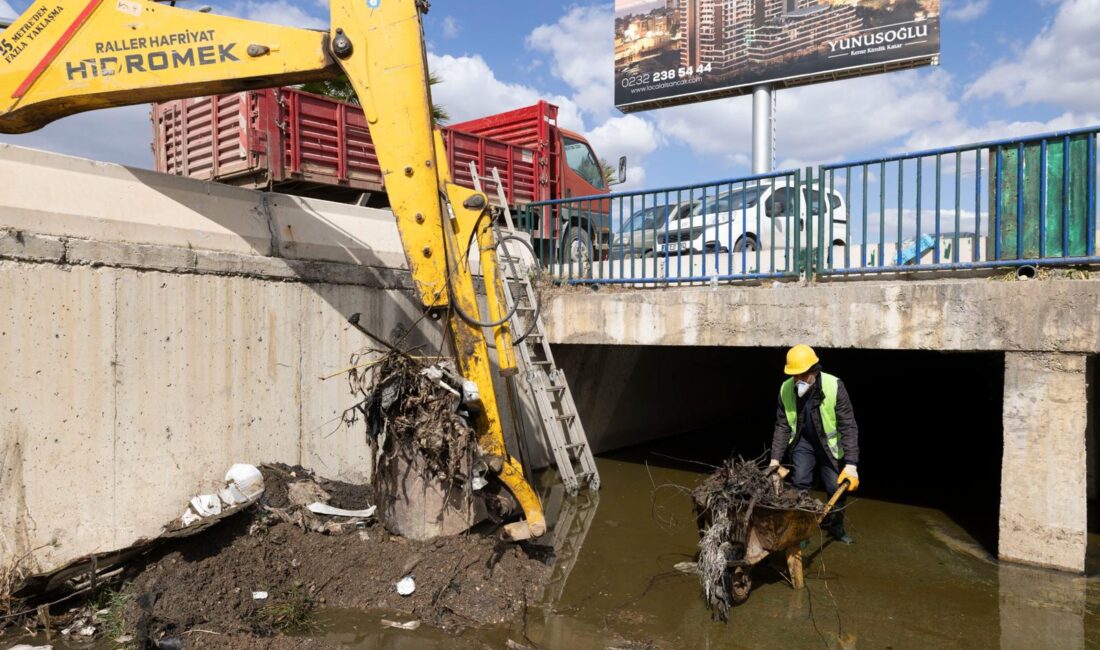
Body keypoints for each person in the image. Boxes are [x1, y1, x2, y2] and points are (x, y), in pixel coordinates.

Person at [769, 344, 860, 544]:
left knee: (835, 485)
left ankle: (836, 526)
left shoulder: (834, 386)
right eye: (795, 376)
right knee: (800, 482)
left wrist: (851, 464)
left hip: (829, 444)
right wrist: (774, 461)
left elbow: (848, 426)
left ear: (814, 371)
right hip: (803, 442)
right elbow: (782, 426)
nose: (799, 380)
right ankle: (801, 530)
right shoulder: (786, 389)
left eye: (803, 375)